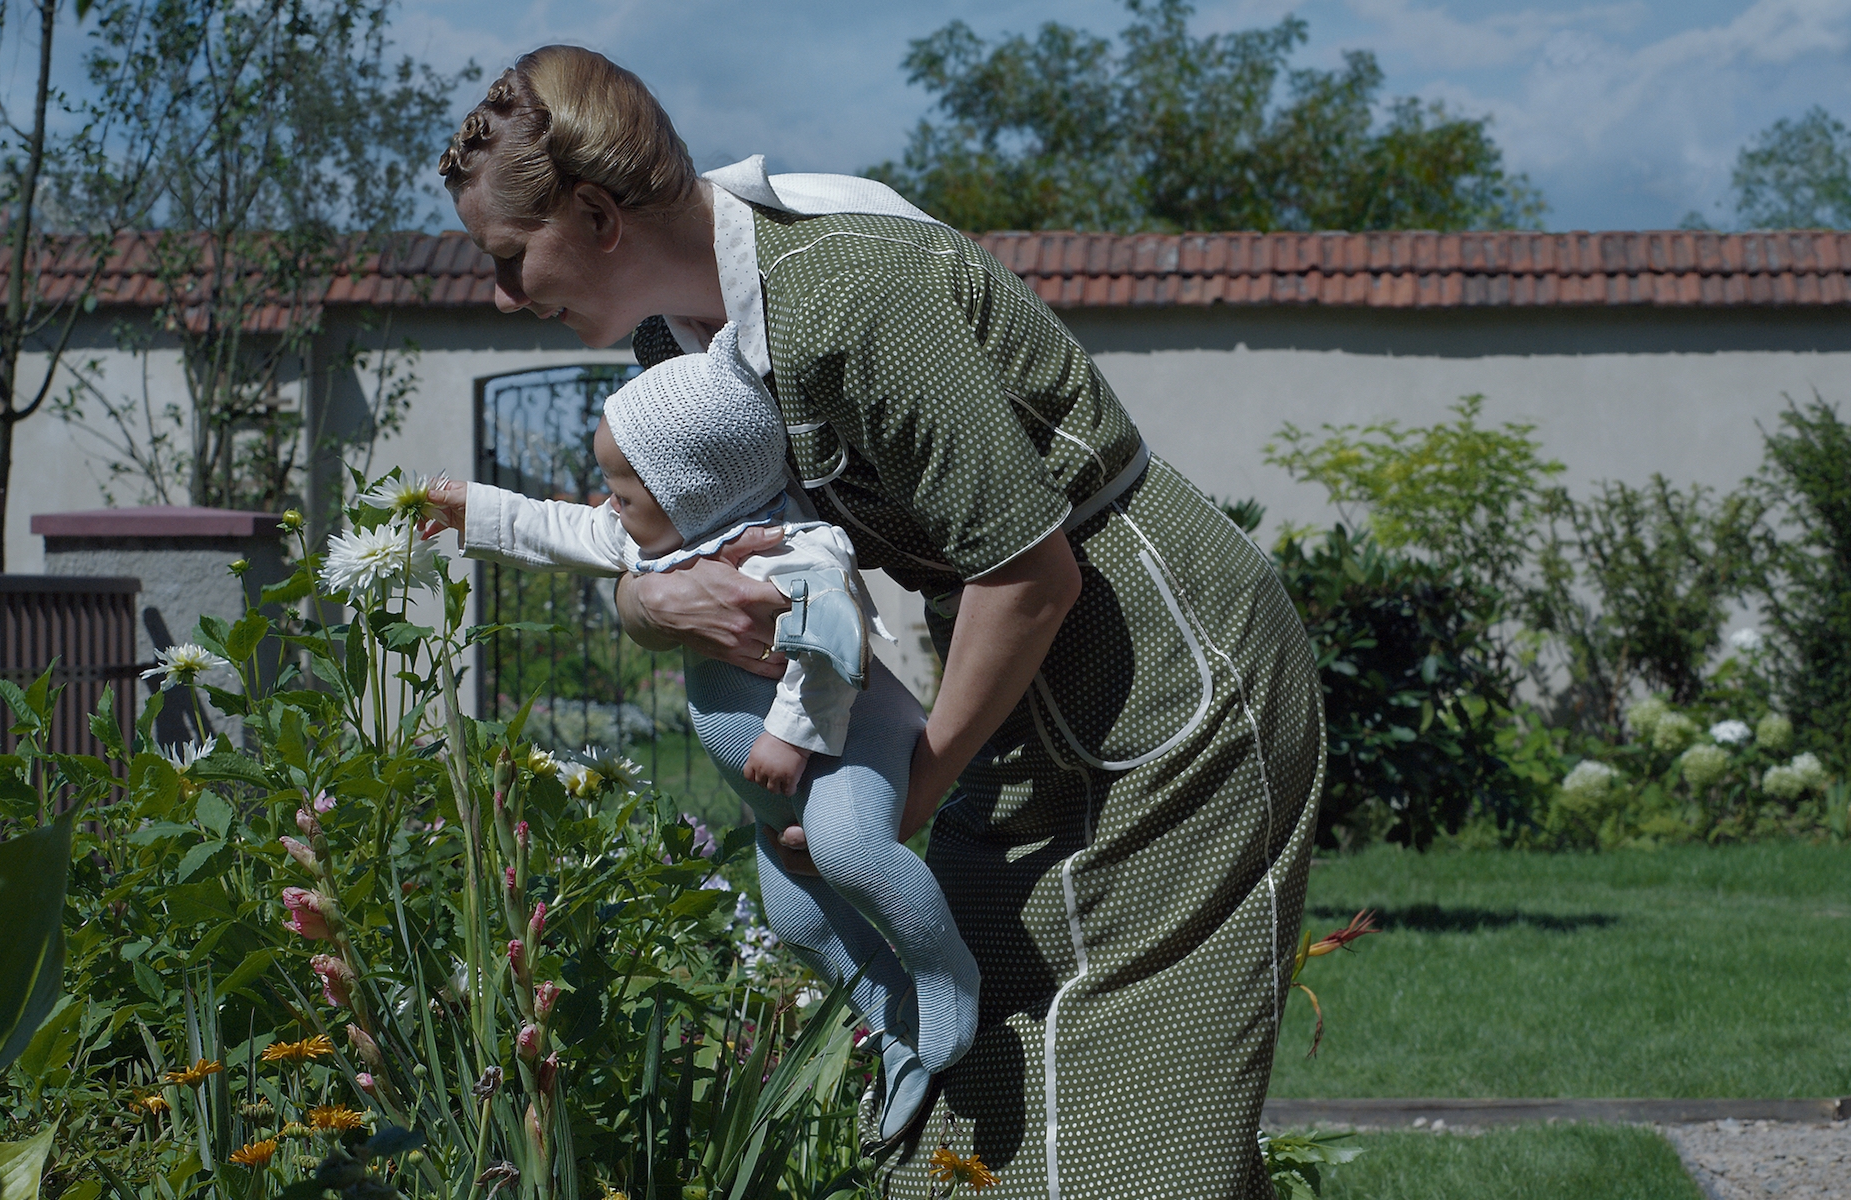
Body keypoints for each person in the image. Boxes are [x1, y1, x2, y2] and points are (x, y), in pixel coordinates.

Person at [428, 45, 1326, 1200]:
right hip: (1009, 692)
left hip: (1162, 676)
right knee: (971, 1110)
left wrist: (907, 797)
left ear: (597, 214)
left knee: (1126, 1136)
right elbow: (653, 554)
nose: (504, 295)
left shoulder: (850, 296)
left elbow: (1032, 579)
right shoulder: (677, 349)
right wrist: (653, 604)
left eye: (510, 258)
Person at [440, 324, 978, 1141]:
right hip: (775, 788)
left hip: (845, 747)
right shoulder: (667, 543)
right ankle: (889, 1012)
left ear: (693, 490)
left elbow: (836, 644)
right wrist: (468, 510)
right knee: (797, 921)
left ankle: (944, 976)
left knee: (849, 851)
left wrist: (790, 736)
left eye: (625, 491)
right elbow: (557, 529)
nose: (608, 505)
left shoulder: (797, 549)